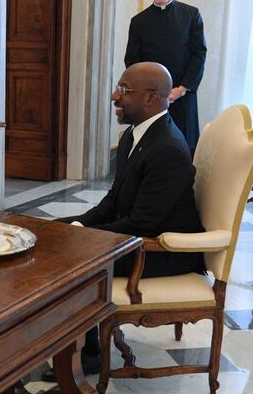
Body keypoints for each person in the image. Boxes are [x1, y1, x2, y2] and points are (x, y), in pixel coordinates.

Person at [42, 62, 205, 381]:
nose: (115, 95)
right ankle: (62, 338)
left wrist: (80, 240)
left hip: (164, 253)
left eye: (124, 90)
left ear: (151, 97)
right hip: (139, 235)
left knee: (71, 261)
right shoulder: (134, 136)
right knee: (51, 237)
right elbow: (112, 203)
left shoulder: (167, 149)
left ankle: (87, 355)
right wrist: (71, 227)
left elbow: (141, 225)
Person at [125, 0, 206, 155]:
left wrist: (181, 89)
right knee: (150, 149)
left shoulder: (191, 14)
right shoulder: (138, 21)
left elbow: (199, 54)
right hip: (150, 100)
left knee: (183, 148)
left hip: (182, 96)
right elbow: (133, 61)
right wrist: (150, 93)